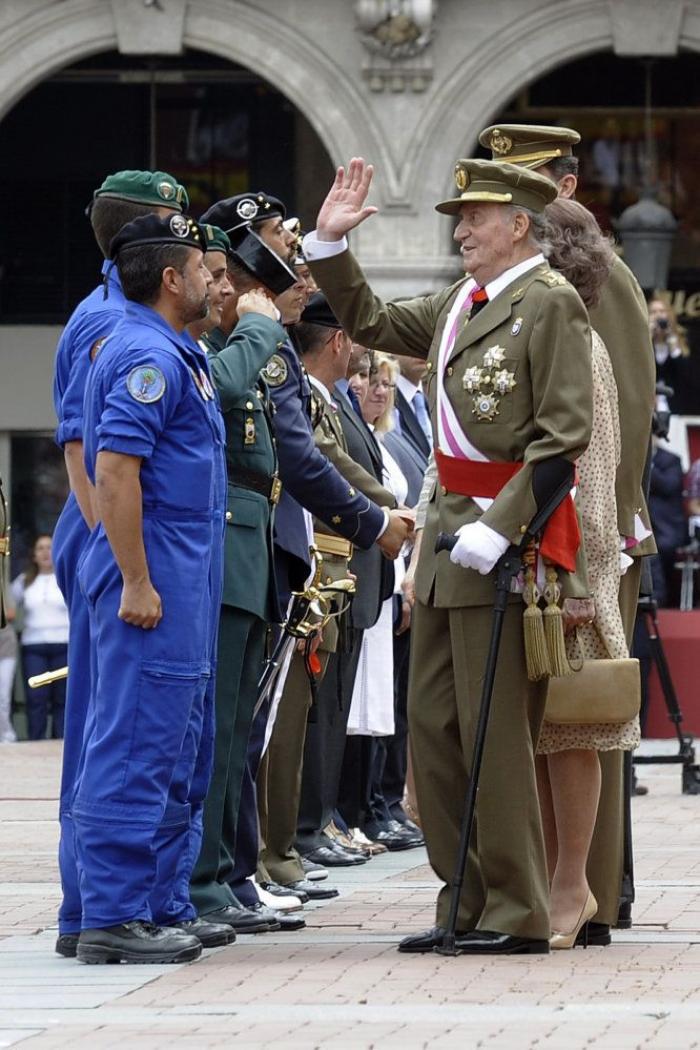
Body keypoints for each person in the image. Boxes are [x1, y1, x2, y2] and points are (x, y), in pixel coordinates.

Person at [304, 156, 593, 955]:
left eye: (475, 217)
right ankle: (463, 898)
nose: (461, 230)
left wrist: (501, 529)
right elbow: (369, 320)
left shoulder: (550, 303)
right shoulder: (461, 303)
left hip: (503, 551)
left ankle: (517, 909)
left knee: (495, 735)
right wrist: (329, 245)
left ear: (519, 225)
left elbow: (563, 437)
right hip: (442, 551)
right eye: (459, 218)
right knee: (433, 731)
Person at [480, 122, 656, 941]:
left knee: (584, 709)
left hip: (585, 527)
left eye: (526, 183)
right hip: (519, 524)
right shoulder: (512, 278)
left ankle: (591, 890)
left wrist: (598, 541)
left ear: (566, 186)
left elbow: (618, 411)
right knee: (544, 718)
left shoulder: (593, 273)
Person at [74, 212, 228, 964]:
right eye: (201, 269)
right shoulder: (145, 354)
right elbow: (114, 472)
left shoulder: (177, 351)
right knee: (136, 741)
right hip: (153, 575)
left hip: (182, 575)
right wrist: (135, 578)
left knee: (175, 746)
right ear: (172, 279)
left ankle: (160, 903)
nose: (212, 282)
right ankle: (112, 914)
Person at [51, 168, 188, 958]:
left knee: (137, 726)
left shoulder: (122, 315)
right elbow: (85, 451)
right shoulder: (110, 322)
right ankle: (99, 909)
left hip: (127, 536)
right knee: (116, 726)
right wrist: (120, 559)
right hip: (112, 534)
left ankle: (128, 903)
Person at [187, 219, 306, 934]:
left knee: (235, 734)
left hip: (249, 555)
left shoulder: (225, 347)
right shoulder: (207, 351)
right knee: (213, 734)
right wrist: (261, 330)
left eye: (227, 278)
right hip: (224, 556)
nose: (224, 288)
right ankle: (203, 884)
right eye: (215, 276)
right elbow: (224, 392)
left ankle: (223, 878)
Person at [536, 198, 641, 949]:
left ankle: (572, 882)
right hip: (539, 555)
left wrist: (572, 572)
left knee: (571, 726)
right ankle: (554, 877)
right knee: (544, 731)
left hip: (569, 557)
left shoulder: (579, 338)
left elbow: (593, 473)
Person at [11, 535, 69, 740]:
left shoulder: (66, 578)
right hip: (33, 647)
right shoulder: (23, 581)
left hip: (64, 645)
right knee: (36, 697)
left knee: (63, 699)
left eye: (49, 547)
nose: (45, 552)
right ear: (34, 555)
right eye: (40, 548)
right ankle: (35, 742)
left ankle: (61, 743)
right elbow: (8, 608)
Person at [648, 440, 687, 607]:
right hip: (643, 522)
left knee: (662, 546)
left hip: (668, 525)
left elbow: (668, 485)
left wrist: (647, 464)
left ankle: (661, 598)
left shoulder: (672, 460)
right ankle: (653, 597)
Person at [648, 298, 689, 411]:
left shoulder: (681, 341)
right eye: (653, 312)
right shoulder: (644, 343)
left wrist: (672, 341)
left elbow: (684, 376)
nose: (658, 316)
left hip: (675, 407)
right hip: (650, 406)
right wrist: (648, 336)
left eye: (662, 311)